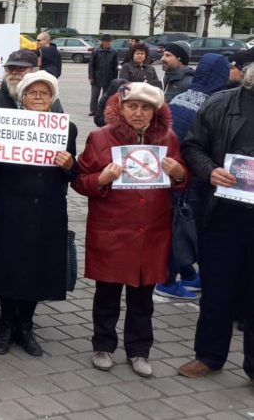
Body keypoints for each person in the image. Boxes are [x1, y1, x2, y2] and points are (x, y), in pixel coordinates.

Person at [72, 82, 187, 378]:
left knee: (142, 298)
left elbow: (181, 180)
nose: (138, 113)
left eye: (146, 107)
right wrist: (101, 179)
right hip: (112, 229)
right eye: (132, 106)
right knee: (107, 294)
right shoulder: (100, 137)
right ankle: (103, 345)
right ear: (120, 108)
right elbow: (79, 180)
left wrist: (179, 175)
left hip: (151, 232)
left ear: (155, 111)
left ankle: (139, 350)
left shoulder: (168, 138)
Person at [0, 71, 78, 357]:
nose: (38, 97)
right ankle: (6, 326)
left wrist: (70, 165)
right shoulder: (5, 126)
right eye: (33, 92)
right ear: (23, 97)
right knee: (9, 266)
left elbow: (73, 175)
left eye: (44, 93)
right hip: (10, 208)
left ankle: (26, 326)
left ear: (52, 98)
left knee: (36, 268)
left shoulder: (66, 129)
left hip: (46, 210)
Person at [0, 49, 59, 327]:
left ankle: (17, 312)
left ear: (33, 71)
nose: (15, 73)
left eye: (21, 68)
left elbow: (58, 144)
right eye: (11, 68)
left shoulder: (51, 105)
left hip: (29, 196)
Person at [177, 62, 254, 380]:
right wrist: (209, 170)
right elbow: (192, 146)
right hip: (222, 214)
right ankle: (209, 356)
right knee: (217, 288)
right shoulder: (220, 103)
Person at [154, 53, 231, 299]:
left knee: (178, 225)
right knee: (184, 228)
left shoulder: (182, 96)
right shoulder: (214, 103)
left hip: (173, 170)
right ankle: (167, 281)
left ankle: (187, 273)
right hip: (193, 176)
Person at [88, 34, 119, 117]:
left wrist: (115, 79)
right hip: (96, 76)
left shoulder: (114, 52)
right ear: (102, 42)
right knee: (94, 95)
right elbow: (91, 65)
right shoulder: (96, 51)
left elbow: (115, 66)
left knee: (106, 96)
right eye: (106, 42)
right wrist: (91, 77)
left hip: (108, 77)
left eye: (109, 42)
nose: (108, 43)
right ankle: (93, 110)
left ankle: (103, 110)